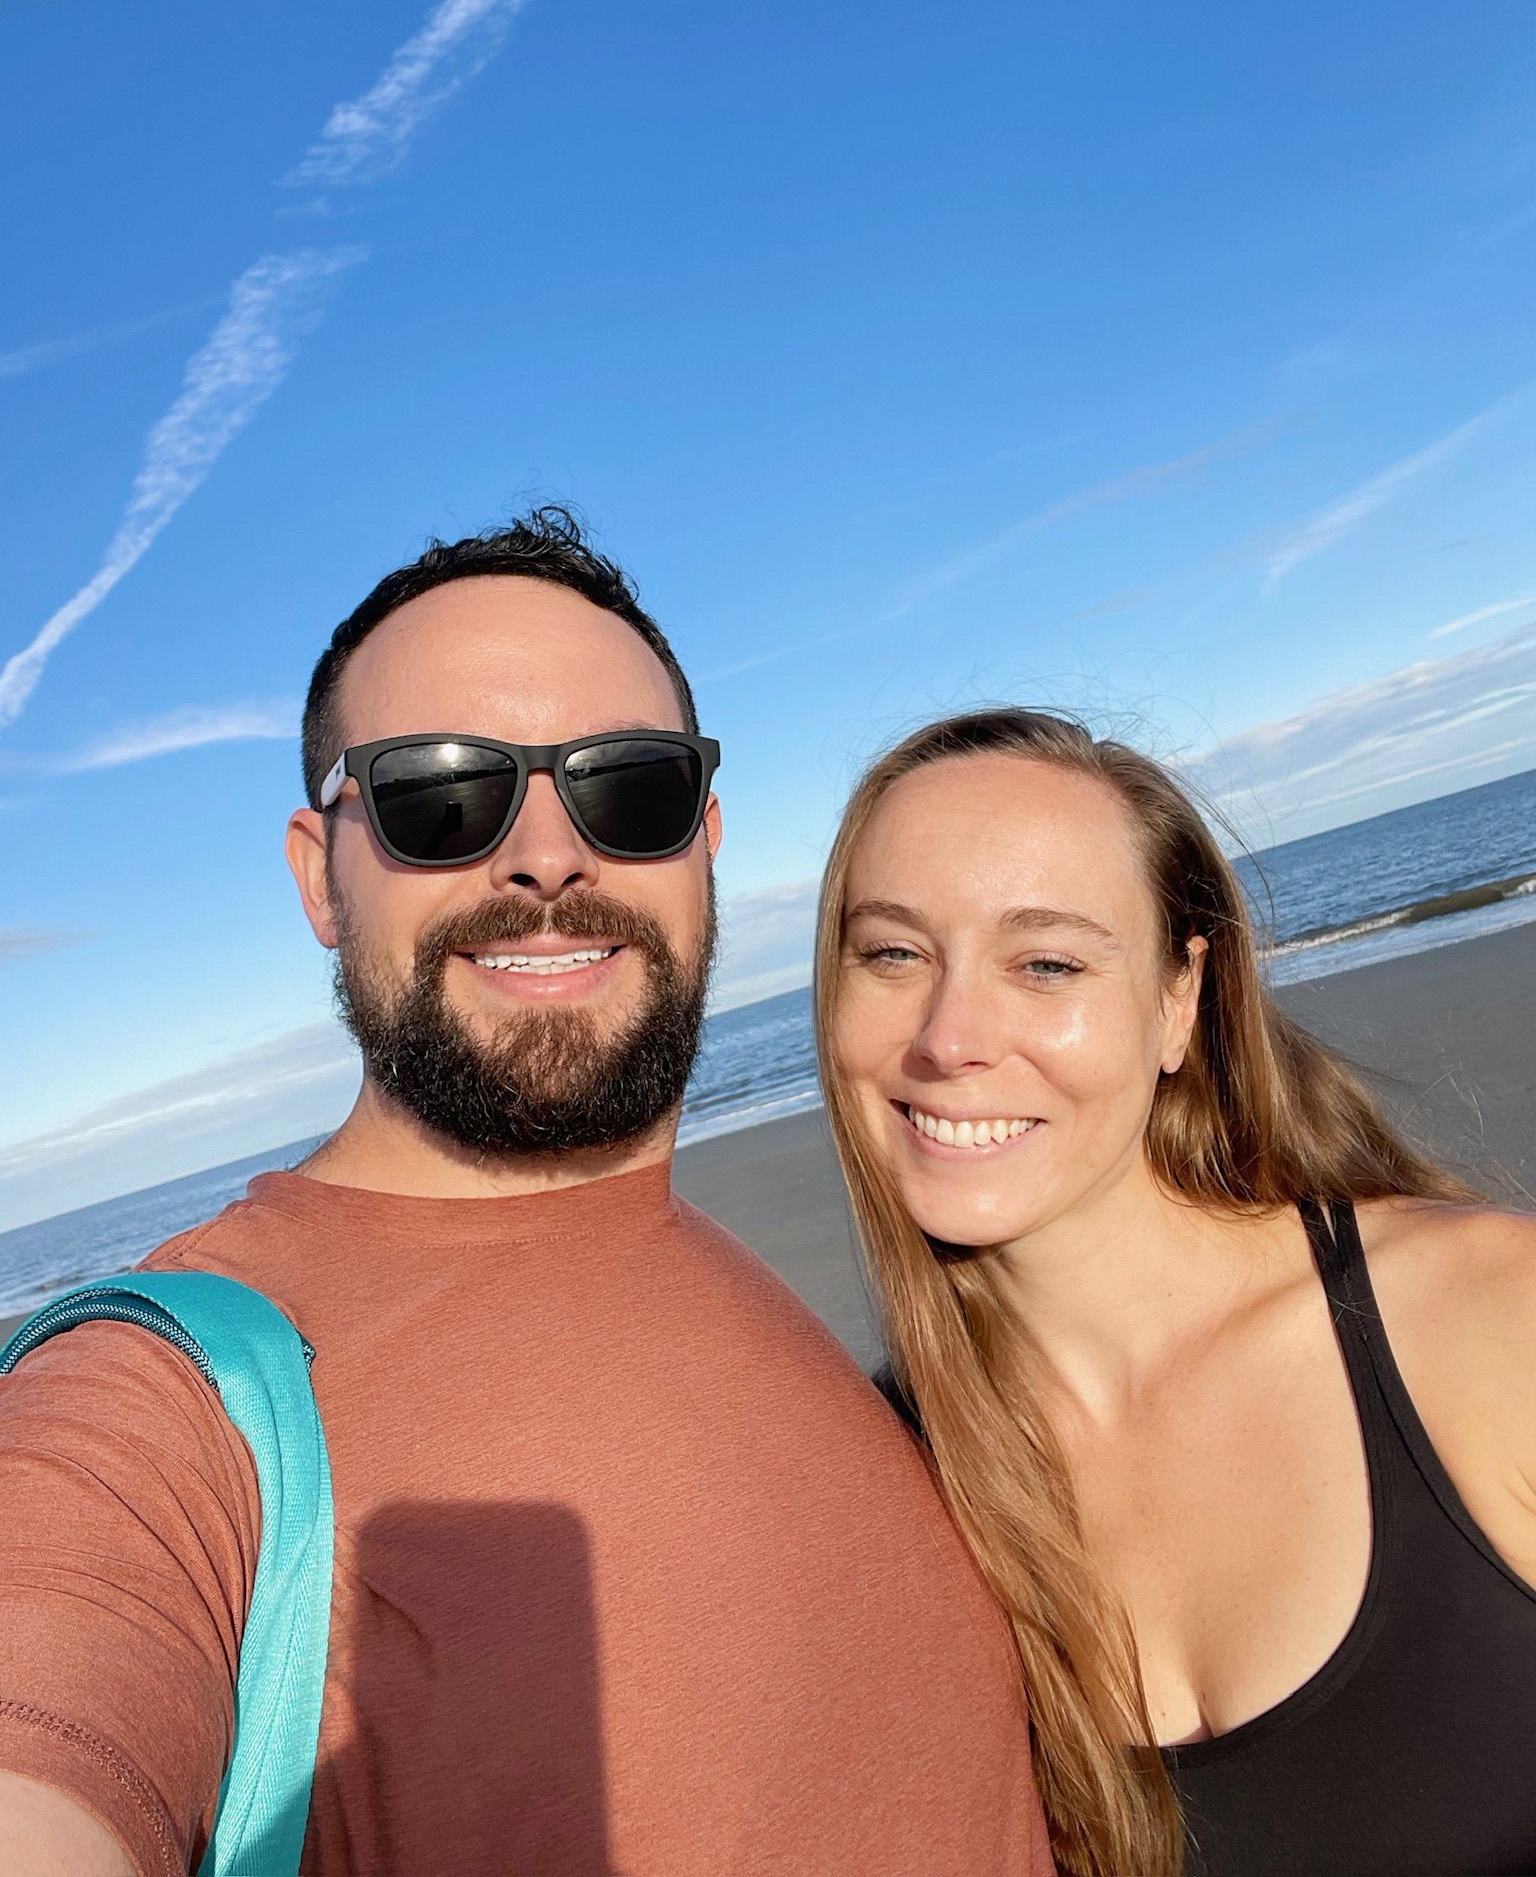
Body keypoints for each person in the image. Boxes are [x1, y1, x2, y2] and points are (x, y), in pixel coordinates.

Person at [0, 515, 1054, 1877]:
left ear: (705, 839)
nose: (548, 858)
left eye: (629, 788)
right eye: (445, 798)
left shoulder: (761, 1266)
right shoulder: (166, 1403)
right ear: (322, 876)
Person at [814, 706, 1536, 1877]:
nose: (950, 1037)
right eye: (893, 953)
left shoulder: (1487, 1316)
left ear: (1177, 1000)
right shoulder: (894, 1494)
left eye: (1046, 962)